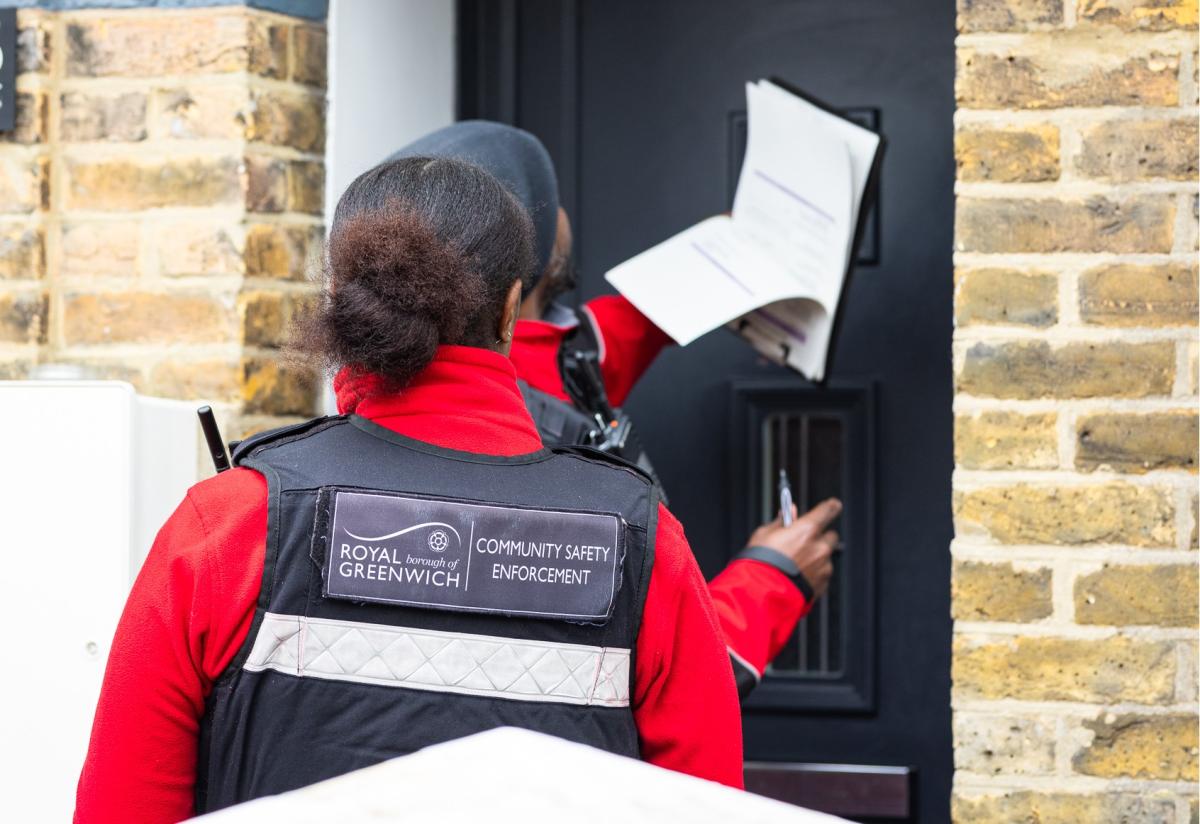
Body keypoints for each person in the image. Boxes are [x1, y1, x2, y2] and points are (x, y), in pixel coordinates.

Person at [74, 156, 742, 823]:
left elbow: (121, 806)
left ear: (339, 293)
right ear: (511, 307)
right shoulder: (643, 542)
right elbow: (707, 805)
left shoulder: (229, 524)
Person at [384, 122, 840, 696]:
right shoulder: (531, 433)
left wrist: (731, 259)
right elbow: (667, 674)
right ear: (525, 265)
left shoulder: (547, 353)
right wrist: (776, 577)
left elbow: (622, 327)